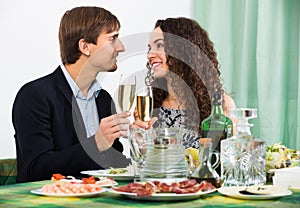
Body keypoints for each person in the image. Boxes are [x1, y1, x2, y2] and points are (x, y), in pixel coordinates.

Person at [12, 6, 130, 183]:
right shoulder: (34, 96)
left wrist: (142, 145)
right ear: (85, 46)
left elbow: (113, 165)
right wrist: (96, 143)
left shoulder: (103, 99)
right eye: (112, 39)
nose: (121, 47)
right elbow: (35, 169)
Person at [133, 17, 236, 149]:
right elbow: (147, 164)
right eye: (150, 48)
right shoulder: (152, 106)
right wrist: (140, 141)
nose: (149, 55)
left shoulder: (222, 105)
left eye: (159, 45)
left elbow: (231, 160)